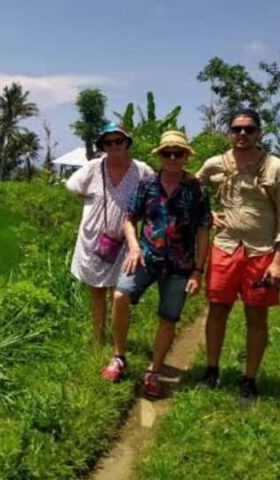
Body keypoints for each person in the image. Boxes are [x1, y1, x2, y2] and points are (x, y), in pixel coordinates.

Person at [196, 109, 280, 405]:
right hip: (225, 246)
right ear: (229, 132)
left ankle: (249, 379)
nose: (242, 134)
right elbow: (193, 188)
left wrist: (278, 261)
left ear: (259, 133)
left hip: (262, 252)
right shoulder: (216, 163)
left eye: (249, 129)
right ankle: (211, 371)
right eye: (237, 129)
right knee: (217, 310)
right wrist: (207, 213)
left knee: (256, 315)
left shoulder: (276, 168)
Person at [102, 130, 211, 399]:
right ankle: (119, 356)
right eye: (167, 153)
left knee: (168, 316)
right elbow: (130, 218)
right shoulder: (147, 184)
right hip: (146, 256)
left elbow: (203, 230)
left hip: (180, 265)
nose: (173, 157)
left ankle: (154, 371)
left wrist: (198, 270)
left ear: (186, 156)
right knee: (120, 295)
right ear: (160, 156)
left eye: (178, 153)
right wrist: (134, 247)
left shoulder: (196, 189)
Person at [66, 123, 153, 343]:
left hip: (126, 240)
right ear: (103, 146)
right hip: (95, 239)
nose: (114, 146)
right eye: (108, 142)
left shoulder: (141, 170)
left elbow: (157, 192)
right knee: (96, 291)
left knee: (119, 292)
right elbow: (72, 185)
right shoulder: (94, 167)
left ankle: (117, 342)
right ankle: (98, 338)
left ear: (127, 143)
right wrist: (91, 199)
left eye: (119, 141)